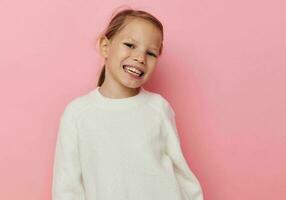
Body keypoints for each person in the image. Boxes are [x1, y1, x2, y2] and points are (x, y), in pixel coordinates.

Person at [51, 7, 204, 200]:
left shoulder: (158, 108)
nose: (140, 58)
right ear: (105, 46)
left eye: (151, 53)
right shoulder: (77, 113)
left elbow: (181, 172)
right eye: (130, 45)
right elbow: (67, 187)